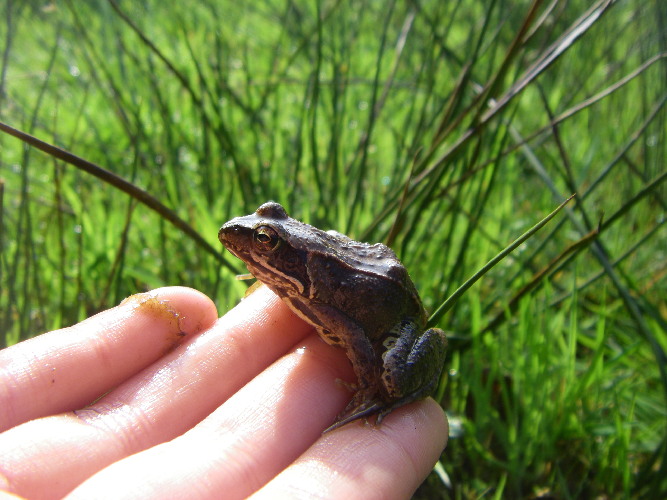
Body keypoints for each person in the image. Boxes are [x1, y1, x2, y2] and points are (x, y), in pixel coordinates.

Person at [0, 286, 448, 499]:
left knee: (392, 375)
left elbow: (350, 328)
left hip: (398, 322)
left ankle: (384, 392)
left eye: (268, 242)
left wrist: (369, 387)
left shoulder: (318, 290)